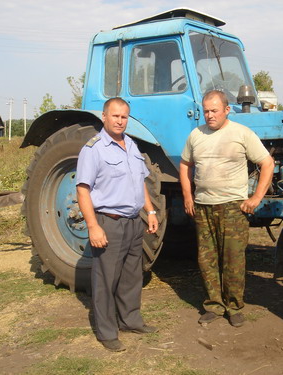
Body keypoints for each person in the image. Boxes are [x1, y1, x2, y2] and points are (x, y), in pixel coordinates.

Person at [180, 90, 274, 327]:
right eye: (206, 111)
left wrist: (256, 198)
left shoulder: (241, 134)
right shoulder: (196, 135)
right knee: (206, 258)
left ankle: (234, 306)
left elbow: (267, 163)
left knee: (233, 258)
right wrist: (188, 196)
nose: (209, 116)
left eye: (214, 110)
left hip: (233, 207)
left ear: (227, 110)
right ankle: (213, 304)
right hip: (203, 206)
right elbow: (184, 165)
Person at [76, 97, 159, 352]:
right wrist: (93, 226)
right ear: (104, 116)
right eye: (115, 116)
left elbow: (140, 182)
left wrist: (151, 211)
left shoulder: (131, 145)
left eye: (124, 116)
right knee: (106, 279)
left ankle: (130, 320)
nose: (120, 121)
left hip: (134, 223)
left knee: (132, 276)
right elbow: (82, 190)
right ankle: (107, 332)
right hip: (109, 222)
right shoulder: (94, 149)